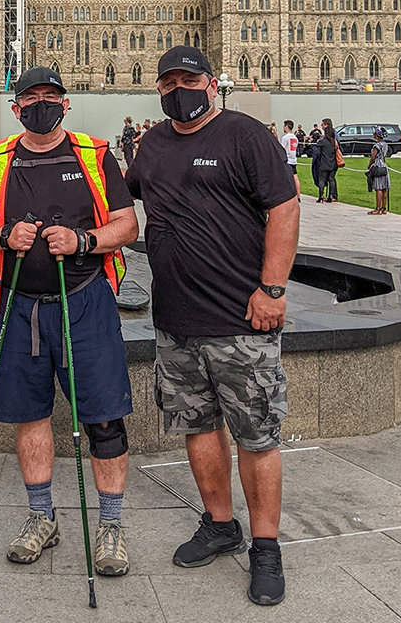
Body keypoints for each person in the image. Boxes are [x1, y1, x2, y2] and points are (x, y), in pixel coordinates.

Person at [126, 47, 299, 608]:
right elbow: (116, 204)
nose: (181, 88)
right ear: (158, 89)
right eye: (170, 81)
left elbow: (285, 207)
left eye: (190, 79)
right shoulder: (151, 145)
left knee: (256, 435)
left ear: (210, 82)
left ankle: (267, 547)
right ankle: (220, 524)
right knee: (197, 428)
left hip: (241, 320)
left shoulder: (243, 135)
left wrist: (271, 289)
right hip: (176, 320)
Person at [0, 67, 139, 577]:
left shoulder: (95, 155)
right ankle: (43, 517)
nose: (42, 104)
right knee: (30, 416)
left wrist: (83, 241)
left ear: (66, 105)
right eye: (31, 98)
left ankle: (110, 526)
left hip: (85, 302)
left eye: (51, 97)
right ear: (16, 109)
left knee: (104, 418)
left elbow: (127, 224)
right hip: (20, 306)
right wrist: (3, 237)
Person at [367, 127, 391, 215]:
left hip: (378, 166)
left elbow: (373, 157)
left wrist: (369, 165)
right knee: (384, 188)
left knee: (378, 188)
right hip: (384, 166)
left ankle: (377, 208)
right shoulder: (385, 145)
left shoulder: (376, 146)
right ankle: (383, 208)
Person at [316, 119, 339, 203]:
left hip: (324, 163)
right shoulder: (334, 143)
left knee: (322, 179)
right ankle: (330, 196)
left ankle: (321, 196)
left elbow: (318, 153)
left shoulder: (322, 142)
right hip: (333, 163)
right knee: (331, 179)